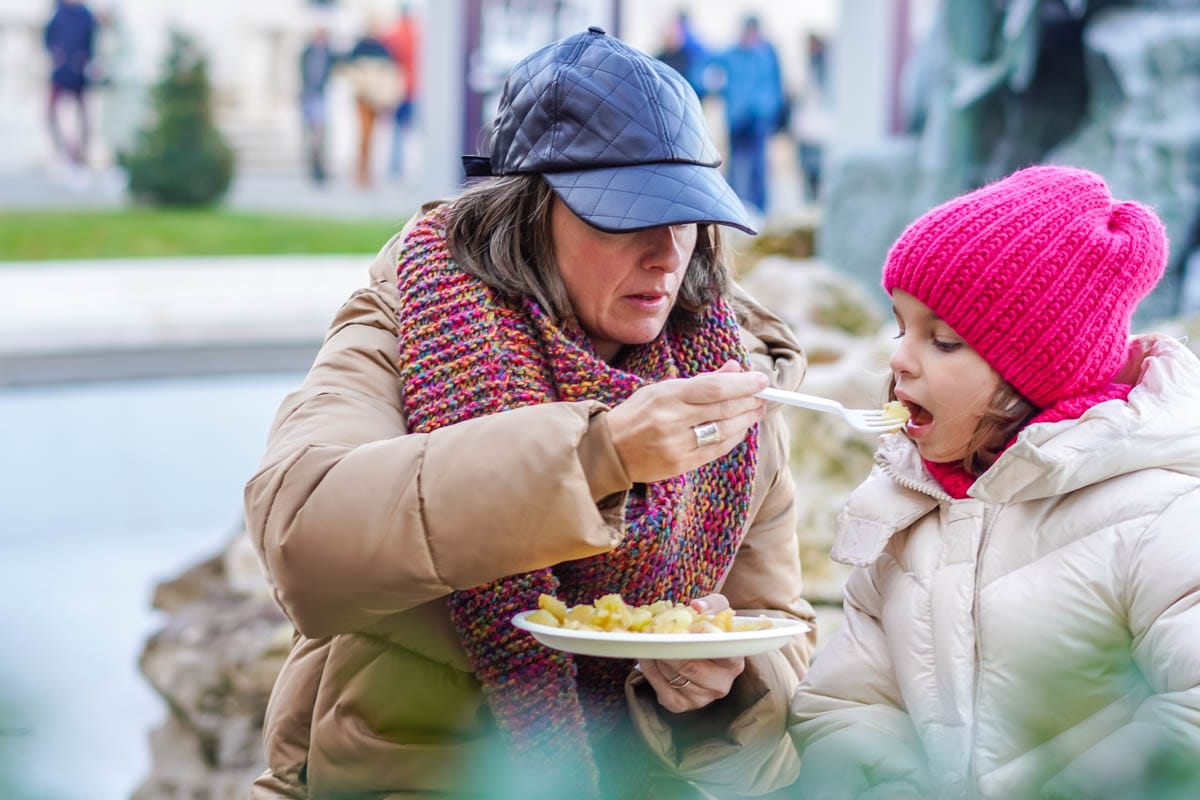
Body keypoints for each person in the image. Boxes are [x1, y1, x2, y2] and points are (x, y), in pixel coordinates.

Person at [245, 27, 817, 800]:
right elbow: (301, 542)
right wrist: (596, 459)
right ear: (526, 214)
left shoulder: (728, 371)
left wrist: (721, 690)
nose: (666, 252)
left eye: (686, 215)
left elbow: (779, 642)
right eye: (626, 217)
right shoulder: (410, 314)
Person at [789, 165, 1200, 799]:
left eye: (944, 340)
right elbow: (848, 700)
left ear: (1040, 372)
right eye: (901, 327)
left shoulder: (1160, 514)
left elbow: (1188, 721)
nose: (898, 357)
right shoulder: (906, 510)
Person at [714, 15, 784, 216]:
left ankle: (759, 211)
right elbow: (707, 71)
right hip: (737, 120)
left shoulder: (765, 55)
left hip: (759, 122)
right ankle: (733, 209)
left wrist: (767, 112)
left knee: (758, 168)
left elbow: (773, 89)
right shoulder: (730, 54)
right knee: (736, 166)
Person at [341, 21, 402, 186]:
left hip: (376, 98)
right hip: (362, 97)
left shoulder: (381, 49)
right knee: (364, 135)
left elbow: (389, 73)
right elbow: (350, 70)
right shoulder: (359, 48)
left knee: (373, 136)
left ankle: (367, 172)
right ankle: (361, 172)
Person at [43, 0, 99, 169]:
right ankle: (62, 149)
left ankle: (82, 152)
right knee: (51, 112)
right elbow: (47, 38)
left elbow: (92, 41)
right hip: (60, 72)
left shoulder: (86, 15)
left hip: (79, 72)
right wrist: (55, 54)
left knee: (84, 114)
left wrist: (85, 59)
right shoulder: (58, 13)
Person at [381, 3, 419, 178]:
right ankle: (400, 166)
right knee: (405, 129)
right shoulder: (415, 32)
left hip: (399, 87)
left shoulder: (395, 33)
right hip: (412, 87)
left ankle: (395, 166)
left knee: (396, 128)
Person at [298, 26, 334, 184]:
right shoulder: (308, 53)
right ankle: (313, 165)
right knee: (311, 133)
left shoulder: (327, 54)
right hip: (309, 95)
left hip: (319, 96)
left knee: (319, 133)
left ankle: (318, 165)